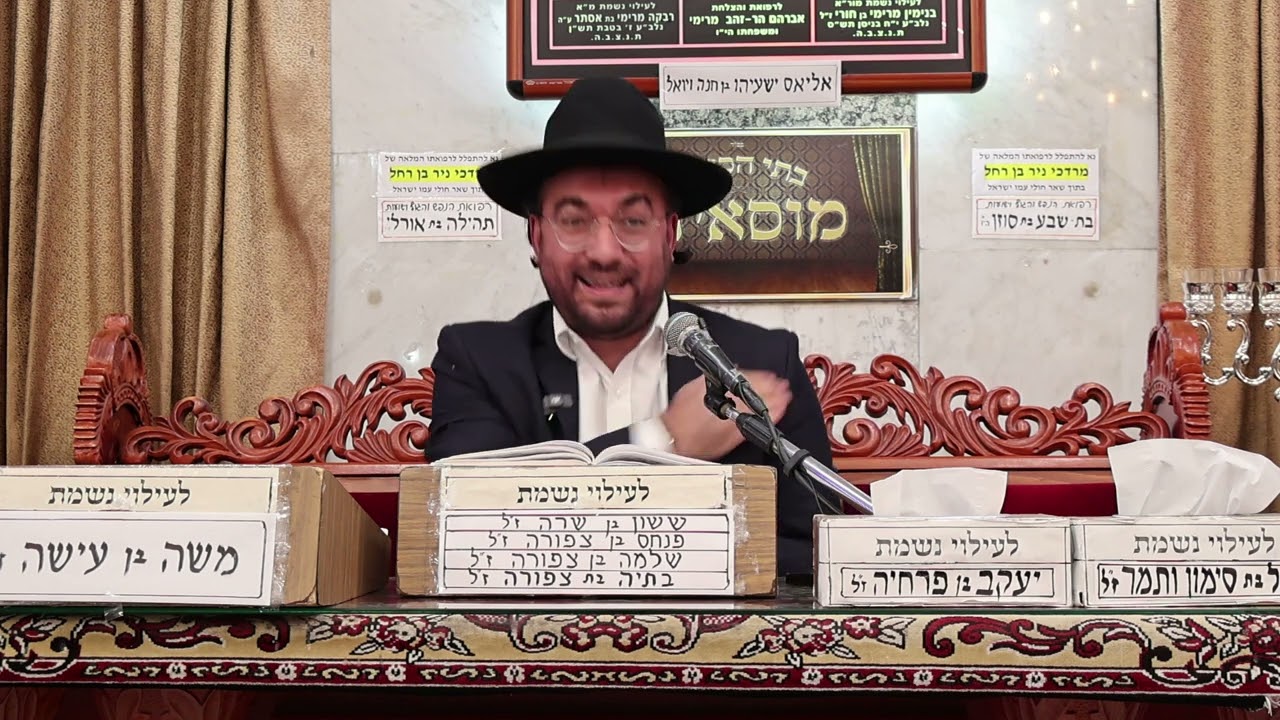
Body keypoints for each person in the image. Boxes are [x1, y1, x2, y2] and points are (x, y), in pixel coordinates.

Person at [424, 76, 835, 578]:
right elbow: (459, 526)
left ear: (670, 233)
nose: (603, 252)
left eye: (633, 221)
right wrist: (663, 440)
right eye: (573, 221)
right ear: (536, 235)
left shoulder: (756, 365)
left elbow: (814, 551)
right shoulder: (478, 360)